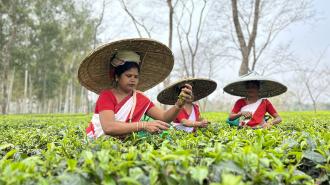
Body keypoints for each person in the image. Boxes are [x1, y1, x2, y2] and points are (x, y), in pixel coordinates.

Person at [77, 39, 193, 139]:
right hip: (97, 143)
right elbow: (108, 127)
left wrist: (179, 103)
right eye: (128, 76)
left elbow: (164, 117)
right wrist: (143, 125)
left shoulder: (140, 98)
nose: (133, 80)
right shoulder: (107, 96)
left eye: (136, 77)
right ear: (117, 77)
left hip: (122, 145)